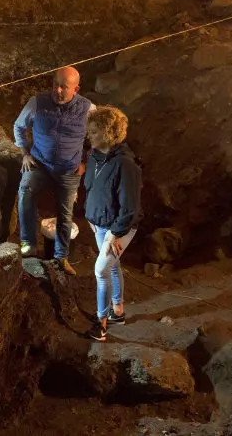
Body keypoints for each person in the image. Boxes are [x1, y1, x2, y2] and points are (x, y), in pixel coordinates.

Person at [13, 66, 94, 275]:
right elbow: (19, 126)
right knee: (25, 191)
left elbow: (101, 138)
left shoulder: (88, 109)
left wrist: (87, 162)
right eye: (55, 85)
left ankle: (61, 256)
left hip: (69, 168)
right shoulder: (37, 102)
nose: (58, 91)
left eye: (64, 88)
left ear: (76, 89)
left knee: (65, 211)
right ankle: (28, 244)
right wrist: (25, 153)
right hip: (40, 163)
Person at [82, 106, 141, 341]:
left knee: (101, 270)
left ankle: (101, 323)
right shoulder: (94, 157)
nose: (89, 136)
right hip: (101, 223)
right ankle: (118, 312)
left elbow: (130, 208)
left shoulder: (125, 165)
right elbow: (90, 188)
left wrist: (115, 234)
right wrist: (91, 217)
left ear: (108, 133)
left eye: (94, 131)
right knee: (113, 267)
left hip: (120, 227)